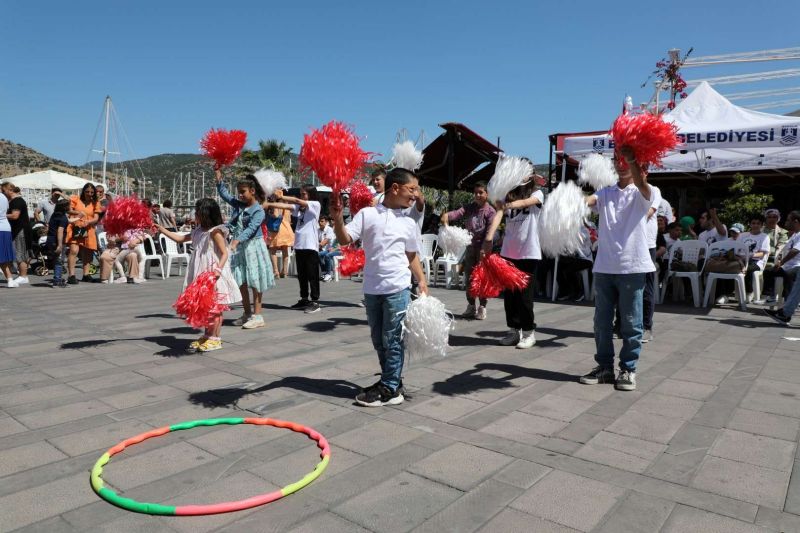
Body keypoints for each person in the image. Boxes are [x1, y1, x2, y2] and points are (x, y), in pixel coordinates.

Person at [330, 167, 428, 406]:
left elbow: (411, 255)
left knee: (392, 339)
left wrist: (422, 280)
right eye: (412, 189)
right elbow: (345, 240)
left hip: (398, 288)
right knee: (378, 339)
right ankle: (392, 381)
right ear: (396, 188)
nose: (415, 194)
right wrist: (337, 219)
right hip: (372, 288)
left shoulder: (409, 221)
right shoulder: (367, 214)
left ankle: (390, 387)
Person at [580, 147, 654, 392]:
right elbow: (587, 202)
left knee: (632, 323)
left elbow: (643, 185)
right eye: (617, 160)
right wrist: (567, 202)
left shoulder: (645, 191)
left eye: (627, 161)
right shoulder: (604, 192)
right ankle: (604, 368)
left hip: (633, 267)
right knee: (601, 323)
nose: (621, 165)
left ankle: (628, 369)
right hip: (604, 267)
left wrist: (633, 157)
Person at [157, 198, 241, 352]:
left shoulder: (215, 231)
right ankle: (207, 335)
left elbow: (224, 253)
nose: (195, 214)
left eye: (198, 212)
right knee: (205, 306)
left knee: (215, 306)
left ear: (206, 214)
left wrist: (218, 270)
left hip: (212, 273)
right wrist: (162, 229)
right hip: (200, 271)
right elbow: (181, 238)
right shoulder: (198, 231)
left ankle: (215, 338)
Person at [482, 176, 544, 349]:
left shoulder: (537, 193)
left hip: (529, 253)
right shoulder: (507, 195)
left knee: (525, 297)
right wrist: (488, 239)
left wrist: (506, 205)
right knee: (510, 296)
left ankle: (529, 333)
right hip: (508, 252)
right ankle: (513, 330)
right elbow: (498, 215)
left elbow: (525, 203)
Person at [216, 170, 275, 329]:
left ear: (252, 191)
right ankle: (247, 313)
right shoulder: (239, 205)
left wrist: (236, 241)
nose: (240, 195)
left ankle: (258, 315)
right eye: (239, 192)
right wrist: (218, 177)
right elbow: (225, 195)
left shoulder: (258, 210)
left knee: (255, 281)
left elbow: (251, 229)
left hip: (253, 247)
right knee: (240, 280)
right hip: (241, 248)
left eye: (243, 192)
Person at [440, 181, 497, 320]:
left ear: (486, 194)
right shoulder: (469, 208)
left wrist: (485, 248)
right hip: (471, 248)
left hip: (485, 248)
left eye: (481, 192)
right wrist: (446, 216)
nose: (477, 195)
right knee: (470, 277)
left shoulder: (491, 212)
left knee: (482, 278)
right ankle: (471, 305)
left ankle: (482, 306)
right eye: (476, 192)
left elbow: (490, 231)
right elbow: (457, 213)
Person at [282, 184, 323, 314]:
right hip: (299, 246)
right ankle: (304, 299)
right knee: (302, 275)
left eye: (304, 193)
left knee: (312, 275)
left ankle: (315, 301)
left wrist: (282, 196)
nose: (301, 196)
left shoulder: (315, 205)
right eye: (301, 193)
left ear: (310, 194)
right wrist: (270, 204)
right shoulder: (300, 209)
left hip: (310, 246)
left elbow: (295, 201)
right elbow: (287, 206)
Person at [764, 211, 800, 326]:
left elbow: (795, 251)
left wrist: (781, 263)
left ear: (796, 221)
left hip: (796, 266)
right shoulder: (795, 234)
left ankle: (784, 313)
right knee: (797, 291)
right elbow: (787, 249)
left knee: (794, 285)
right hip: (790, 266)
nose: (786, 222)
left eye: (788, 220)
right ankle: (783, 312)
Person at [66, 183, 100, 284]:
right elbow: (69, 211)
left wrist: (89, 222)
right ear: (83, 191)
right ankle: (71, 275)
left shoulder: (95, 203)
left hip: (88, 228)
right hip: (75, 227)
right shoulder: (75, 199)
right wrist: (79, 214)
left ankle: (86, 274)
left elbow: (96, 218)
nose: (89, 194)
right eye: (87, 192)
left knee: (88, 252)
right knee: (73, 250)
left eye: (92, 192)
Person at [3, 183, 32, 285]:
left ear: (9, 190)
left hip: (20, 230)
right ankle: (22, 275)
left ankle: (23, 276)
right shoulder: (14, 201)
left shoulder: (17, 201)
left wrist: (2, 215)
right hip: (17, 230)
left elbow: (15, 216)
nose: (2, 193)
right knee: (18, 253)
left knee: (20, 253)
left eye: (3, 190)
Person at [265, 189, 295, 279]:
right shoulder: (286, 206)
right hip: (287, 228)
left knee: (273, 250)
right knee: (285, 250)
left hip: (276, 230)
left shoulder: (275, 205)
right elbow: (289, 219)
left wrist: (269, 212)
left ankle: (276, 271)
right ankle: (284, 271)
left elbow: (276, 215)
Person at [739, 215, 770, 295]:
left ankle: (749, 292)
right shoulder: (743, 235)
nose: (755, 225)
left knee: (748, 269)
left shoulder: (765, 237)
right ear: (749, 224)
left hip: (756, 261)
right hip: (741, 259)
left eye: (758, 223)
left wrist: (749, 255)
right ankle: (726, 294)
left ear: (762, 225)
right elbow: (737, 249)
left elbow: (762, 254)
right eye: (753, 223)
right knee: (730, 268)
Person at [46, 198, 71, 287]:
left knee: (56, 260)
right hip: (57, 241)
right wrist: (60, 245)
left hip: (50, 239)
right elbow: (60, 230)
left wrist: (79, 218)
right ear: (65, 207)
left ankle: (58, 278)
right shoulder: (63, 218)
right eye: (69, 205)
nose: (70, 207)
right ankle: (57, 280)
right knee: (59, 261)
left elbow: (66, 222)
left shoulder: (55, 215)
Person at [0, 184, 15, 286]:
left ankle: (10, 280)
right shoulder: (4, 198)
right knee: (3, 257)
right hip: (6, 228)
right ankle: (10, 280)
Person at [317, 215, 339, 282]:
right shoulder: (318, 230)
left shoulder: (332, 229)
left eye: (322, 221)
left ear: (326, 222)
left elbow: (324, 243)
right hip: (329, 249)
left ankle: (329, 274)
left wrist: (334, 248)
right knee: (318, 254)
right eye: (319, 221)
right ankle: (324, 272)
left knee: (327, 255)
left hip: (338, 249)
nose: (320, 223)